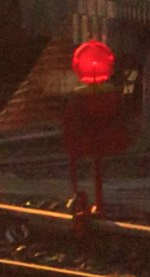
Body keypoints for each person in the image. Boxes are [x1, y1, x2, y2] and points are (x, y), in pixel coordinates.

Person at [55, 34, 135, 220]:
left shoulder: (77, 99)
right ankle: (98, 201)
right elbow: (121, 115)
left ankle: (79, 196)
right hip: (102, 136)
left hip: (85, 138)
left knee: (80, 163)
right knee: (97, 164)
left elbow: (70, 123)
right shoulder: (111, 96)